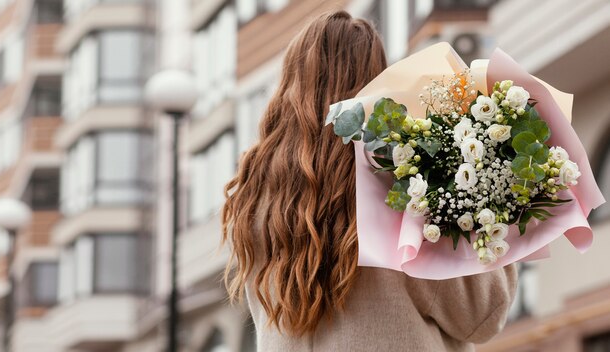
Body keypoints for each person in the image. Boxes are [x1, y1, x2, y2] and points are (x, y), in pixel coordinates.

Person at [221, 10, 517, 352]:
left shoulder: (259, 196)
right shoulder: (402, 177)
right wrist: (490, 204)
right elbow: (481, 314)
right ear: (377, 80)